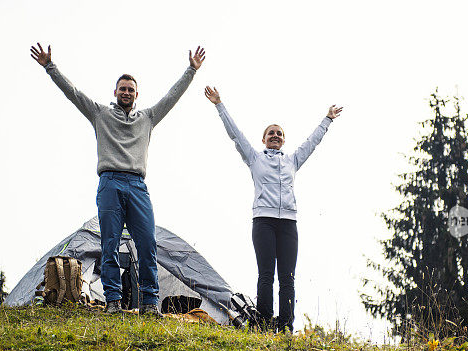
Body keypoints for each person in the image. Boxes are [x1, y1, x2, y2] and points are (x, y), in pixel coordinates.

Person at [30, 42, 205, 316]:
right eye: (122, 89)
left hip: (137, 185)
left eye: (131, 90)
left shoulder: (147, 117)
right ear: (115, 92)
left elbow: (172, 97)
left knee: (147, 244)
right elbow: (73, 94)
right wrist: (50, 67)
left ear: (137, 95)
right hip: (110, 182)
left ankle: (149, 302)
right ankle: (113, 300)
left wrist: (191, 71)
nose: (126, 93)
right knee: (109, 244)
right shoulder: (100, 114)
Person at [204, 85, 342, 332]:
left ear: (284, 139)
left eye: (279, 133)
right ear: (264, 139)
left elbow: (312, 142)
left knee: (287, 278)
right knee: (266, 275)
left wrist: (327, 119)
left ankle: (286, 325)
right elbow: (235, 135)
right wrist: (219, 105)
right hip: (264, 222)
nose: (276, 136)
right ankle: (265, 323)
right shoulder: (255, 158)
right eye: (271, 133)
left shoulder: (292, 161)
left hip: (288, 224)